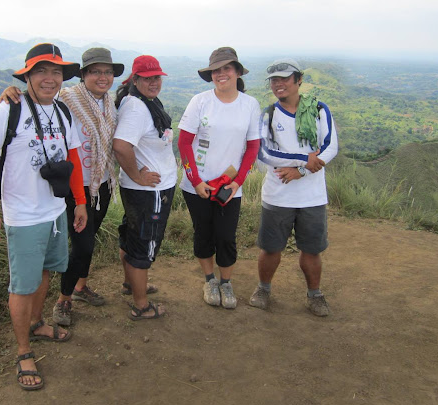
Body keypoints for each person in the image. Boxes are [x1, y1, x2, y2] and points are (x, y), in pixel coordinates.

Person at [0, 43, 87, 390]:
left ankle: (38, 324)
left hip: (55, 210)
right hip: (22, 216)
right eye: (41, 71)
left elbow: (73, 160)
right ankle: (24, 351)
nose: (49, 79)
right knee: (22, 285)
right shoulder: (7, 111)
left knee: (45, 271)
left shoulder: (63, 112)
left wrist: (79, 202)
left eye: (55, 72)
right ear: (27, 76)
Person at [0, 47, 123, 327]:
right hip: (72, 187)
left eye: (107, 72)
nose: (102, 77)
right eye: (95, 72)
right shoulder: (67, 98)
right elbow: (39, 99)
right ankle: (63, 300)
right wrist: (11, 91)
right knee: (83, 245)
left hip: (101, 184)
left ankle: (79, 287)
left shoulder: (110, 103)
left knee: (86, 245)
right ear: (83, 75)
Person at [250, 58, 338, 316]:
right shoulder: (268, 115)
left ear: (299, 80)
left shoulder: (319, 110)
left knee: (311, 249)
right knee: (270, 248)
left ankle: (315, 294)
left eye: (285, 78)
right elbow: (264, 154)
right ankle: (263, 288)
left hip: (312, 196)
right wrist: (303, 159)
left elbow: (330, 146)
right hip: (278, 194)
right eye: (274, 80)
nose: (279, 84)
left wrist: (299, 170)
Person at [178, 47, 261, 309]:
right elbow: (184, 143)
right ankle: (209, 279)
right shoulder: (200, 101)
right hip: (197, 185)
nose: (221, 73)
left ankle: (226, 282)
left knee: (226, 236)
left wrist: (238, 182)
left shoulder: (249, 105)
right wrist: (196, 180)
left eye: (226, 68)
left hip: (230, 186)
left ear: (237, 71)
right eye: (216, 69)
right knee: (203, 233)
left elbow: (253, 147)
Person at [112, 55, 176, 320]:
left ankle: (132, 284)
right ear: (135, 79)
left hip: (140, 191)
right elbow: (120, 146)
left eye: (157, 77)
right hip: (149, 192)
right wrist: (138, 175)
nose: (154, 82)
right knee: (144, 244)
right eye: (148, 78)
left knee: (132, 236)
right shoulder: (138, 108)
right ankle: (141, 305)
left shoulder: (139, 101)